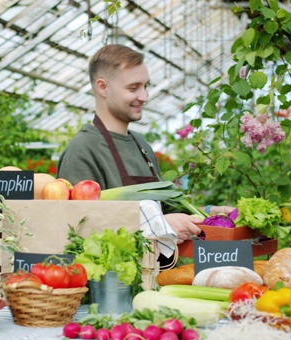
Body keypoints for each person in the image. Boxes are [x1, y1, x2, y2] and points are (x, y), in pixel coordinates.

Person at [57, 44, 234, 244]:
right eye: (133, 88)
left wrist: (209, 214)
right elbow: (78, 229)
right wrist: (157, 225)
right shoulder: (83, 149)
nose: (145, 97)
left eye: (146, 86)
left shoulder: (140, 145)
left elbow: (164, 207)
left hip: (157, 271)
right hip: (114, 275)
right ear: (102, 87)